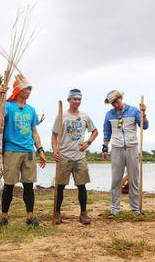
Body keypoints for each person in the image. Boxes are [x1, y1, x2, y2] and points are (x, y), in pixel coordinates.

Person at [0, 74, 46, 227]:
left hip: (28, 150)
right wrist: (1, 97)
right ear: (18, 90)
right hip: (11, 150)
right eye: (26, 89)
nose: (29, 92)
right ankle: (4, 216)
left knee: (28, 185)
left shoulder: (31, 110)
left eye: (30, 89)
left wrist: (41, 150)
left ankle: (30, 217)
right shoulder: (8, 106)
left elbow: (34, 131)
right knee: (9, 185)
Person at [51, 89, 98, 225]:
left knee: (81, 186)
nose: (77, 101)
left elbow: (95, 131)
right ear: (69, 100)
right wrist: (55, 150)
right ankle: (57, 213)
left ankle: (83, 214)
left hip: (79, 156)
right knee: (60, 186)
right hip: (64, 156)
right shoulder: (61, 116)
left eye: (79, 99)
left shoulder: (85, 116)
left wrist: (88, 142)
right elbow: (54, 136)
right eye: (74, 99)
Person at [102, 90, 148, 217]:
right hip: (116, 148)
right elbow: (106, 132)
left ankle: (136, 209)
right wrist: (104, 148)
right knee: (116, 180)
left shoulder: (133, 111)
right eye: (113, 103)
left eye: (117, 101)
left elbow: (144, 126)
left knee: (134, 179)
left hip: (132, 148)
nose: (115, 105)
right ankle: (115, 209)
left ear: (121, 98)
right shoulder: (109, 115)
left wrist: (143, 114)